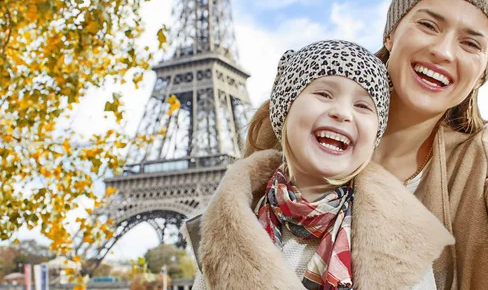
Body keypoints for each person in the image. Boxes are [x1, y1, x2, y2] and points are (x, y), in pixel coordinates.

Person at [243, 0, 488, 290]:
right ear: (391, 34)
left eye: (470, 43)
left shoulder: (476, 161)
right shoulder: (301, 114)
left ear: (482, 74)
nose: (443, 51)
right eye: (428, 25)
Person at [186, 40, 454, 290]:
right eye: (324, 94)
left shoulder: (404, 244)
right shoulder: (222, 234)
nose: (343, 112)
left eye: (363, 105)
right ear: (285, 110)